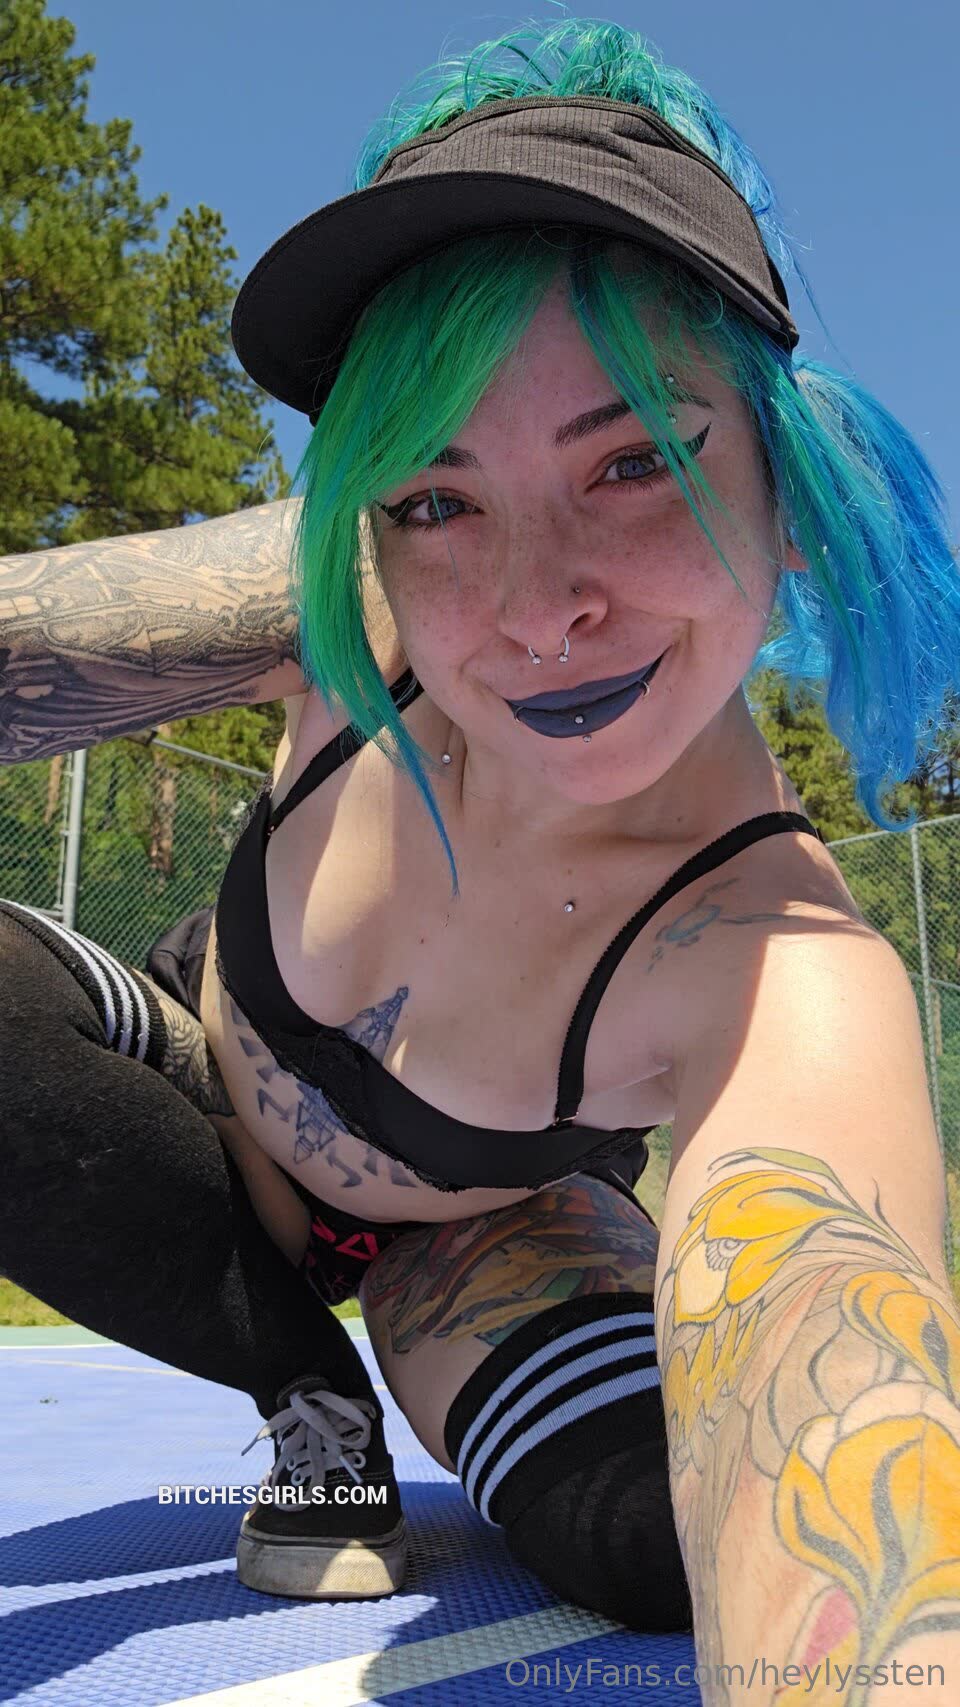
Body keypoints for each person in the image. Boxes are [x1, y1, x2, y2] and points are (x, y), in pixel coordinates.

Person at [3, 16, 960, 1674]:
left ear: (789, 485)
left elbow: (841, 1475)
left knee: (661, 1544)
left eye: (637, 460)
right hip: (186, 1085)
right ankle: (304, 1390)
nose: (535, 609)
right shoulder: (336, 600)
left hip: (482, 1244)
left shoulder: (775, 955)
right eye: (437, 498)